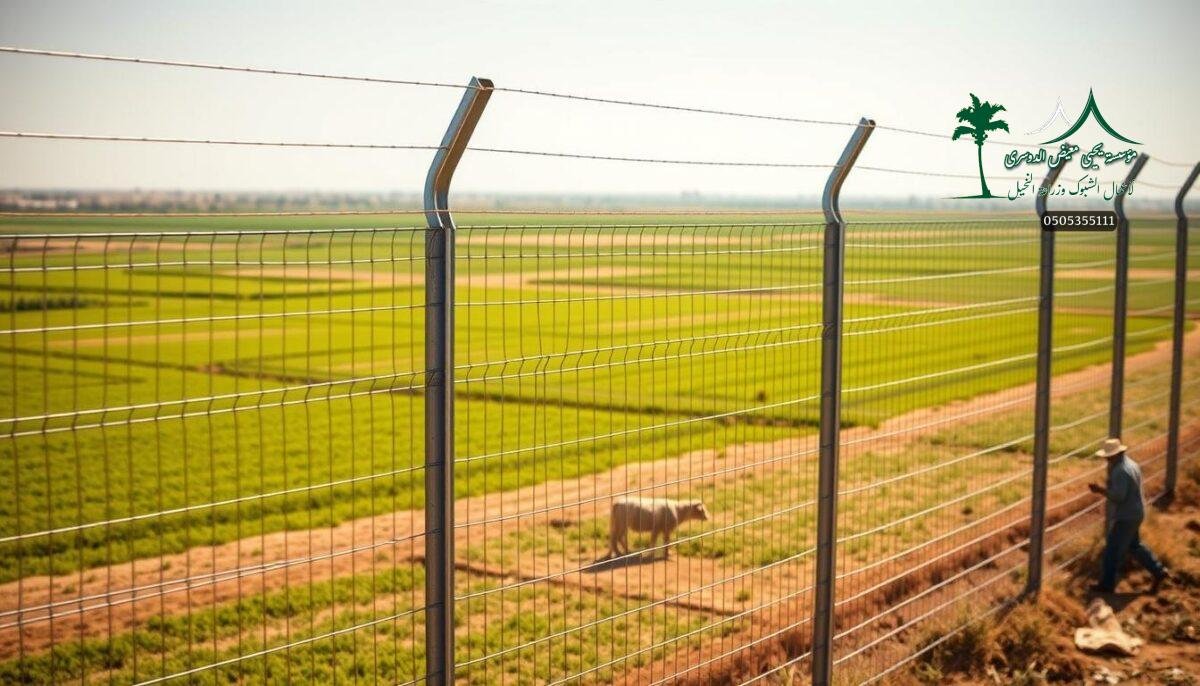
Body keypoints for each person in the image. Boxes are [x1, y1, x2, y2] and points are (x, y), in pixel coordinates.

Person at [1086, 437, 1170, 594]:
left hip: (1126, 515)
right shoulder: (1131, 464)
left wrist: (1100, 490)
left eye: (1108, 456)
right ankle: (1158, 571)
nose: (1106, 459)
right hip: (1136, 512)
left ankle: (1106, 584)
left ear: (1115, 455)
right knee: (1134, 546)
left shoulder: (1120, 471)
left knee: (1111, 549)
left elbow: (1119, 496)